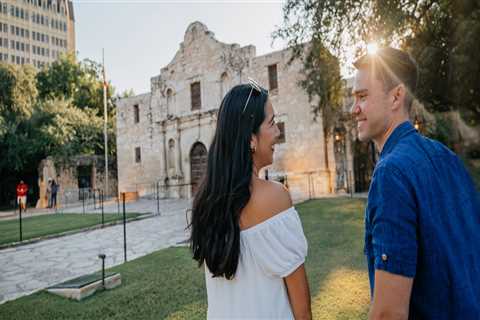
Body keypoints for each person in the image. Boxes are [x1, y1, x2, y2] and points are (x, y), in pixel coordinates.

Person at [351, 47, 480, 319]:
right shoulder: (448, 157)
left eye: (362, 96)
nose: (354, 109)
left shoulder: (391, 174)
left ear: (396, 96)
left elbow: (389, 313)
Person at [190, 79, 311, 319]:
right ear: (250, 139)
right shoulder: (274, 198)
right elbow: (302, 309)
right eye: (272, 123)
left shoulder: (205, 201)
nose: (278, 132)